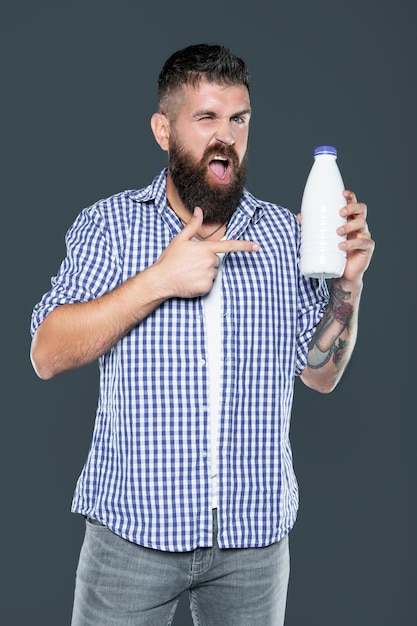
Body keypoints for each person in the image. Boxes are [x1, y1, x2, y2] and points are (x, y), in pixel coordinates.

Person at [30, 43, 374, 626]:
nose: (226, 136)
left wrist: (349, 286)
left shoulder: (285, 237)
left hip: (253, 545)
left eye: (238, 118)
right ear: (164, 130)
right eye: (206, 117)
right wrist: (159, 280)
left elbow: (319, 373)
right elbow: (47, 352)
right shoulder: (110, 226)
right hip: (132, 537)